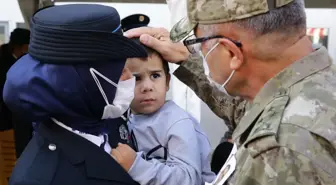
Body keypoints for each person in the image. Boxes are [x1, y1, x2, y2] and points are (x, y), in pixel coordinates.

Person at [125, 0, 336, 184]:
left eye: (198, 45)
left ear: (230, 52)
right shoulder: (316, 84)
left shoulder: (277, 147)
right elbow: (253, 111)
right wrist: (186, 59)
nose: (199, 54)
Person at [4, 4, 148, 185]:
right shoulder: (41, 179)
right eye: (119, 71)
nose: (129, 77)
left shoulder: (100, 124)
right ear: (80, 83)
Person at [111, 37, 216, 185]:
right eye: (136, 78)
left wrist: (136, 166)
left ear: (167, 82)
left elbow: (189, 180)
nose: (147, 86)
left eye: (155, 76)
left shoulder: (176, 122)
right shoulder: (124, 117)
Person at [0, 28, 32, 158]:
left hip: (19, 115)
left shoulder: (23, 59)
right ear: (22, 47)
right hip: (6, 116)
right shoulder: (4, 62)